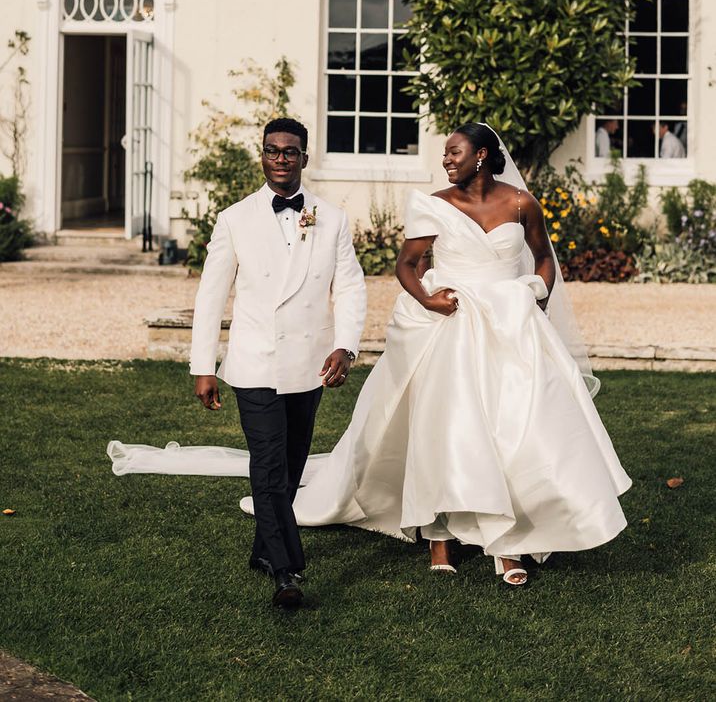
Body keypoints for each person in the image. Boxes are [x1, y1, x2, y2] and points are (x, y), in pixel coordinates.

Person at [277, 123, 631, 585]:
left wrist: (534, 296)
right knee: (448, 427)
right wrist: (428, 301)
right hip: (451, 324)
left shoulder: (522, 203)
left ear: (481, 156)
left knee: (515, 426)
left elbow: (544, 259)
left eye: (454, 152)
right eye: (445, 154)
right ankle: (439, 530)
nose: (446, 160)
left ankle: (510, 539)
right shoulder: (434, 205)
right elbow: (406, 266)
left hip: (509, 326)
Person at [190, 117, 366, 609]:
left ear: (305, 158)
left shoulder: (331, 218)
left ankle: (263, 550)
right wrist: (204, 365)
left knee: (289, 467)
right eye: (273, 150)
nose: (281, 158)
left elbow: (350, 286)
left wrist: (346, 346)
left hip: (309, 363)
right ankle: (286, 572)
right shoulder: (235, 219)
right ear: (262, 156)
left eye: (291, 151)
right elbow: (211, 297)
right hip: (254, 363)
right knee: (268, 466)